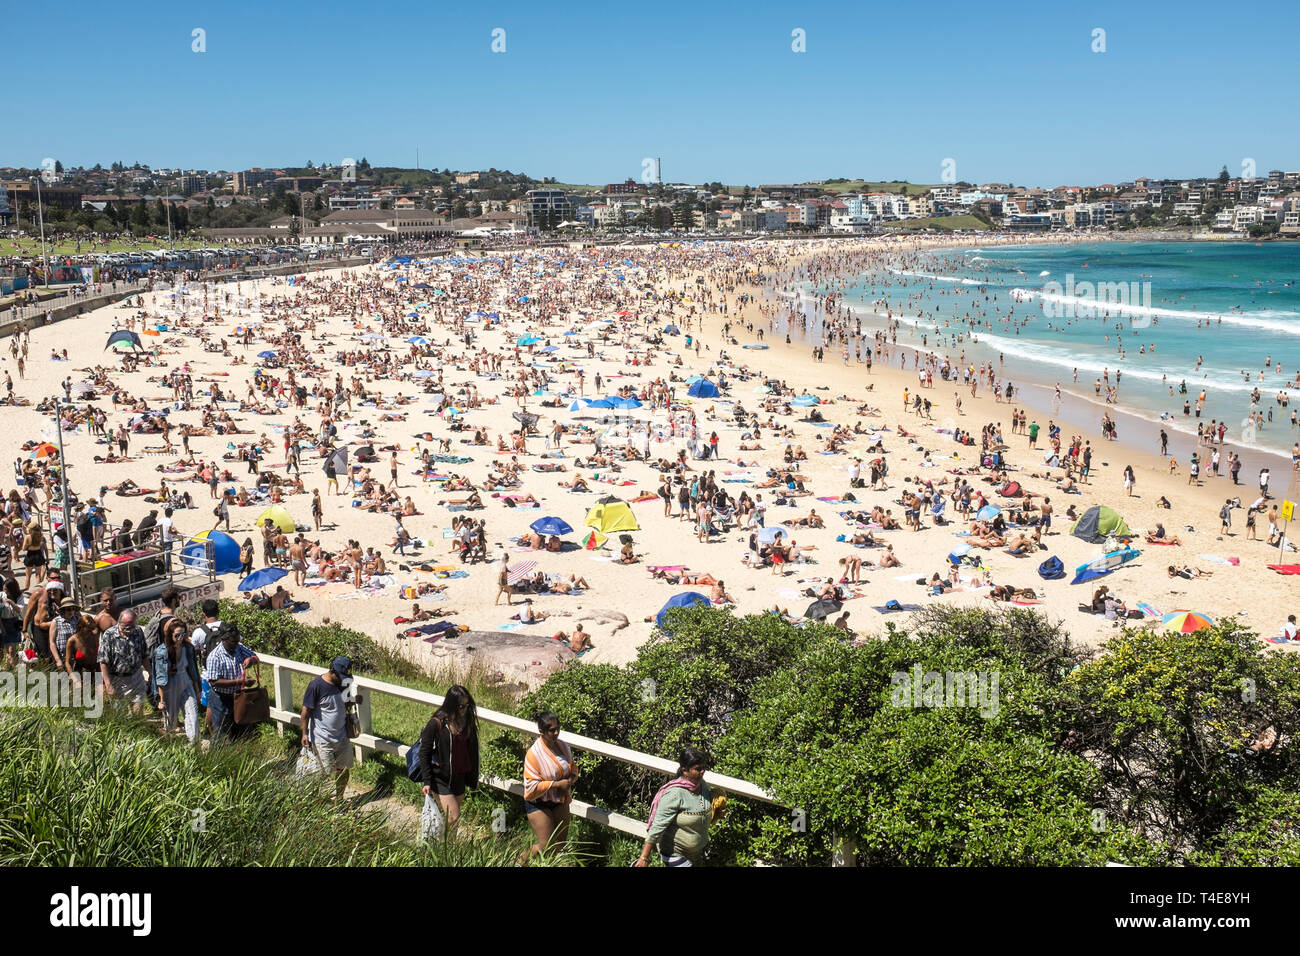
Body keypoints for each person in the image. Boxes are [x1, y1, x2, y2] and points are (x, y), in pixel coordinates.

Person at [635, 746, 718, 868]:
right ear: (685, 770)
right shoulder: (675, 794)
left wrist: (717, 812)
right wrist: (644, 858)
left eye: (703, 768)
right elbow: (657, 826)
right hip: (675, 853)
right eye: (697, 769)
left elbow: (704, 809)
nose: (702, 772)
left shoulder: (703, 786)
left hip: (696, 853)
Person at [418, 684, 480, 838]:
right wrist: (427, 781)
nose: (464, 710)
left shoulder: (468, 723)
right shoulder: (436, 723)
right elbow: (424, 753)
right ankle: (437, 846)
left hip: (459, 776)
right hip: (440, 778)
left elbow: (473, 753)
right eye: (460, 706)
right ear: (451, 705)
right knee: (454, 816)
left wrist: (473, 780)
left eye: (467, 705)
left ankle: (448, 852)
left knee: (453, 821)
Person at [301, 656, 361, 801]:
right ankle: (315, 801)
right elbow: (305, 712)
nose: (343, 680)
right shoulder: (316, 686)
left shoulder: (343, 683)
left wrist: (354, 700)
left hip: (342, 736)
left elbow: (345, 702)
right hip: (322, 739)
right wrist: (304, 734)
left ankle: (338, 799)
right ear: (332, 671)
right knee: (322, 773)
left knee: (344, 769)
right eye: (341, 676)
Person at [521, 710, 578, 863]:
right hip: (538, 802)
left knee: (559, 846)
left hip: (559, 800)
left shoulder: (564, 747)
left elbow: (573, 768)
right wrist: (558, 784)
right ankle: (519, 861)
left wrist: (571, 779)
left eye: (557, 728)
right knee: (545, 844)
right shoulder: (533, 754)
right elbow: (531, 787)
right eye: (551, 730)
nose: (556, 732)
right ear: (541, 731)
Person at [203, 622, 259, 739]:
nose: (236, 644)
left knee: (241, 730)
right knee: (221, 733)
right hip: (221, 698)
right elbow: (214, 682)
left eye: (238, 641)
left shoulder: (238, 647)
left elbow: (255, 657)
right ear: (224, 640)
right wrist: (239, 681)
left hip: (237, 697)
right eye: (233, 641)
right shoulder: (215, 656)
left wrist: (250, 660)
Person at [152, 617, 202, 743]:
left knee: (193, 714)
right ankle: (169, 743)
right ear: (170, 635)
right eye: (177, 635)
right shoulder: (162, 652)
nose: (180, 638)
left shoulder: (187, 648)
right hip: (170, 684)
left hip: (185, 680)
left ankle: (194, 742)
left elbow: (193, 670)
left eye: (183, 634)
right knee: (171, 719)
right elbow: (160, 677)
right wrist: (161, 700)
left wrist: (197, 691)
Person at [98, 608, 149, 714]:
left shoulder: (138, 631)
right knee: (121, 713)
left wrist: (150, 671)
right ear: (119, 623)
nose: (129, 630)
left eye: (132, 626)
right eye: (126, 627)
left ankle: (137, 728)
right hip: (118, 679)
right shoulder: (109, 635)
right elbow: (103, 661)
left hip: (136, 677)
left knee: (138, 710)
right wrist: (108, 684)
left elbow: (144, 654)